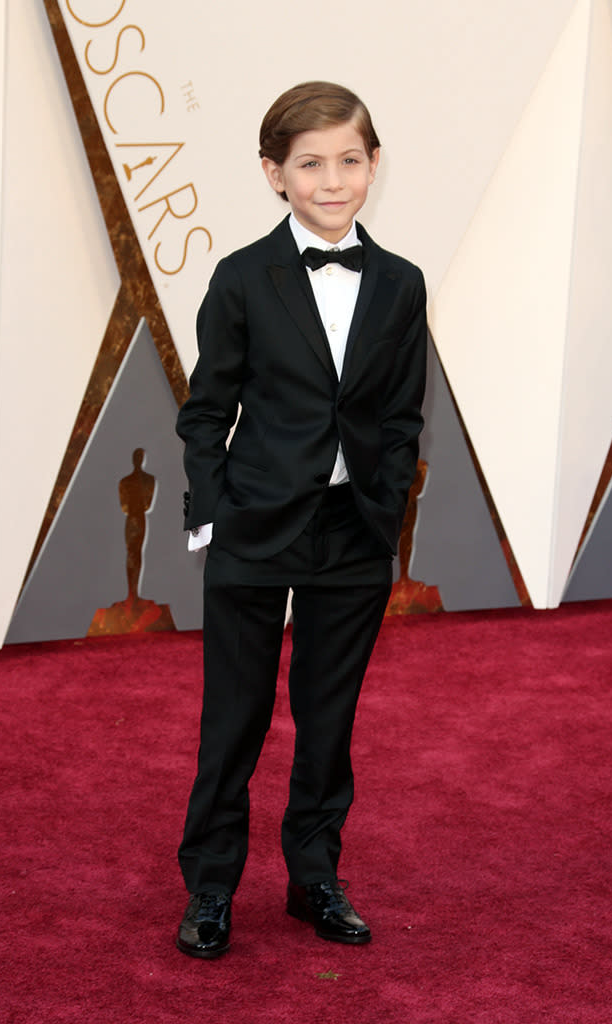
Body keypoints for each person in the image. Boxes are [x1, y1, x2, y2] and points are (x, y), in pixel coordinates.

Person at [174, 80, 428, 958]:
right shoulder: (242, 277)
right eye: (310, 164)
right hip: (253, 522)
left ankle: (315, 877)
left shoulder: (400, 284)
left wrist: (385, 508)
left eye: (349, 160)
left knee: (329, 718)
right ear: (273, 174)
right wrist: (210, 516)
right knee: (234, 716)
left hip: (351, 528)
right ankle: (210, 887)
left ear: (374, 165)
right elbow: (206, 410)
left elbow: (401, 416)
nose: (332, 180)